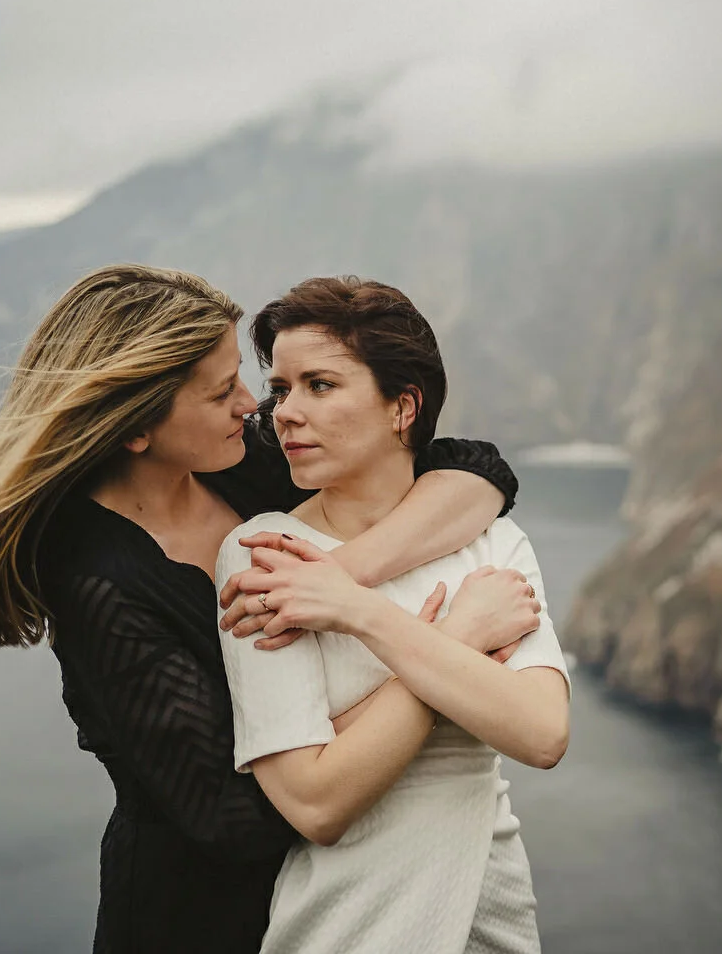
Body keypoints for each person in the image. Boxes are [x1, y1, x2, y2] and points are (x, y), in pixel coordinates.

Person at [0, 264, 537, 954]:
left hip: (329, 905)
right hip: (199, 923)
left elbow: (476, 469)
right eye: (220, 390)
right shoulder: (99, 583)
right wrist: (440, 653)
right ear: (137, 428)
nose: (252, 405)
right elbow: (237, 817)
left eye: (242, 377)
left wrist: (342, 577)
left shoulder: (241, 462)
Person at [213, 276, 571, 953]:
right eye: (282, 389)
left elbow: (543, 734)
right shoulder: (267, 556)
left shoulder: (490, 539)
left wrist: (361, 613)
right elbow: (316, 803)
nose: (283, 412)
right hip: (348, 926)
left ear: (403, 407)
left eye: (319, 385)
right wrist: (456, 640)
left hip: (492, 919)